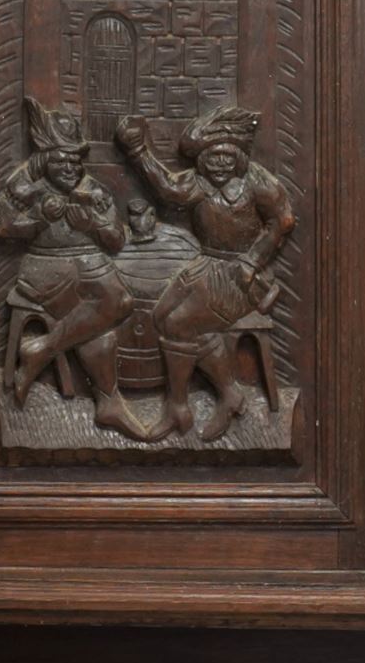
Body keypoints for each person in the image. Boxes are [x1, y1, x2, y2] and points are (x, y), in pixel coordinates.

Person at [115, 106, 295, 441]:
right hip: (207, 265)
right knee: (162, 314)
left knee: (178, 324)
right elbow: (168, 189)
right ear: (202, 159)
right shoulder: (201, 183)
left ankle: (178, 407)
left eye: (227, 157)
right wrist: (138, 151)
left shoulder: (257, 183)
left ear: (239, 156)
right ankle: (228, 393)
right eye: (212, 158)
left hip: (240, 274)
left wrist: (252, 261)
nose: (220, 165)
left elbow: (282, 221)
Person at [0, 98, 151, 440]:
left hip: (90, 266)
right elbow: (3, 227)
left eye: (76, 162)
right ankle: (107, 400)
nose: (71, 169)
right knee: (117, 304)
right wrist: (35, 219)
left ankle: (44, 352)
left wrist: (93, 225)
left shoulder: (91, 190)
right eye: (62, 162)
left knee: (102, 324)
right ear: (46, 160)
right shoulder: (26, 188)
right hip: (46, 268)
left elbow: (117, 239)